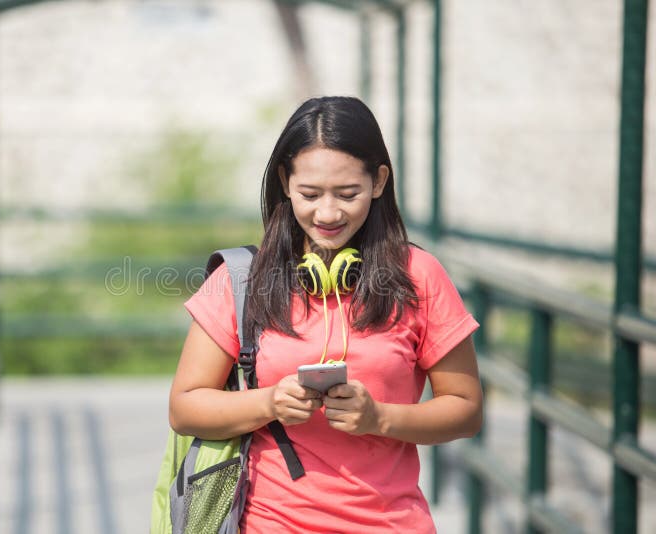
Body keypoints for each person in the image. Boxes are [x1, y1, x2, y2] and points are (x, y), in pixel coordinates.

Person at [169, 96, 482, 533]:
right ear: (284, 182)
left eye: (348, 194)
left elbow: (466, 410)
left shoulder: (421, 276)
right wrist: (269, 402)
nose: (329, 213)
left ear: (379, 182)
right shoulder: (241, 280)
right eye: (310, 195)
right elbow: (185, 408)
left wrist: (380, 418)